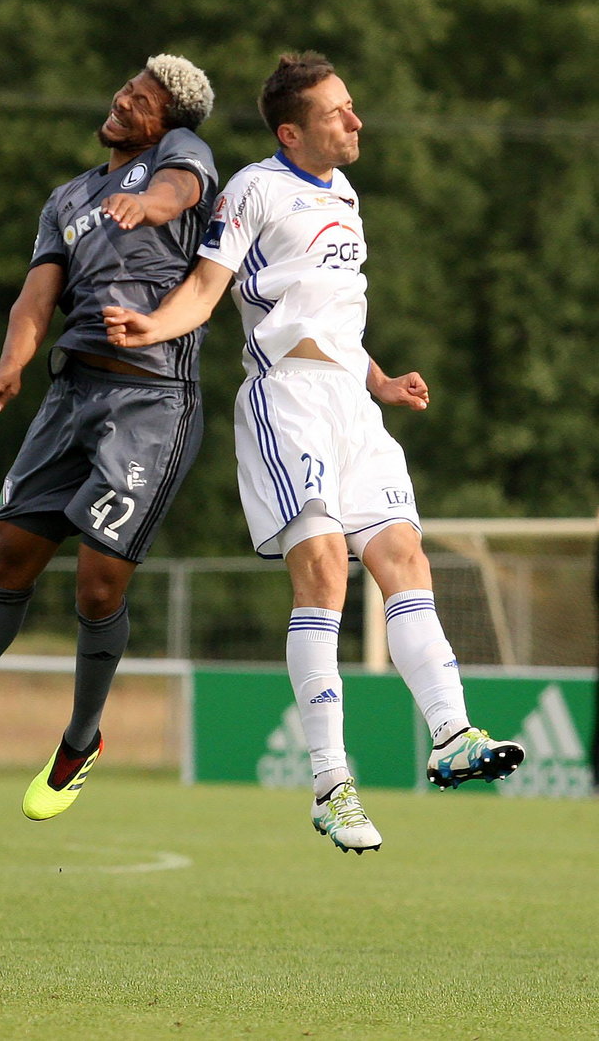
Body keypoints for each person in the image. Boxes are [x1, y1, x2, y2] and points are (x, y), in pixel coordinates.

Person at [104, 51, 525, 854]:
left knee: (404, 555)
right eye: (339, 113)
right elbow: (207, 285)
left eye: (353, 107)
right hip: (286, 400)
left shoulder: (347, 193)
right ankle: (332, 784)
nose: (357, 121)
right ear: (293, 131)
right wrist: (153, 326)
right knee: (327, 567)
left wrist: (381, 378)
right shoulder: (255, 188)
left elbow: (332, 315)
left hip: (352, 406)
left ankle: (451, 734)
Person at [0, 54, 218, 821]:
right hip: (69, 394)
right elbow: (36, 295)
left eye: (144, 101)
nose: (125, 102)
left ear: (168, 123)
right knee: (10, 553)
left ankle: (81, 739)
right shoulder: (67, 196)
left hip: (152, 399)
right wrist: (9, 365)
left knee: (97, 583)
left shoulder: (181, 159)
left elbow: (179, 190)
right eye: (127, 90)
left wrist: (153, 208)